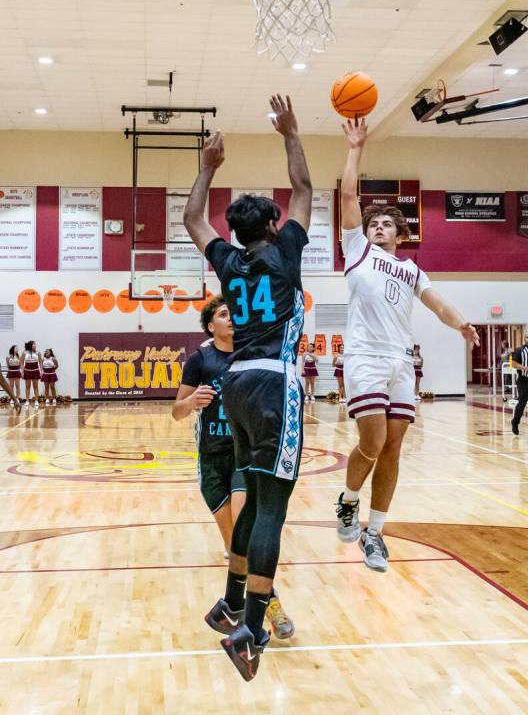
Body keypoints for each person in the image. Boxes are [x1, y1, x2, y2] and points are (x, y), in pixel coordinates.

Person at [183, 93, 312, 681]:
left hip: (234, 387)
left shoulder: (229, 265)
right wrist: (289, 133)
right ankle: (251, 629)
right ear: (274, 225)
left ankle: (232, 601)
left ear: (237, 232)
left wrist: (208, 166)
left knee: (255, 503)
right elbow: (306, 188)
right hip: (274, 385)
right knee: (269, 510)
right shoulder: (285, 251)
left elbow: (191, 218)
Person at [335, 117, 479, 573]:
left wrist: (461, 326)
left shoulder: (412, 270)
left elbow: (437, 304)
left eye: (385, 225)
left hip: (400, 362)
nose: (377, 227)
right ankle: (348, 499)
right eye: (373, 222)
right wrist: (355, 149)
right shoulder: (356, 249)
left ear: (399, 235)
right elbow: (345, 197)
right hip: (365, 358)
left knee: (394, 448)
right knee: (373, 442)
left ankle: (374, 532)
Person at [172, 294, 295, 640]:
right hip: (212, 458)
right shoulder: (201, 359)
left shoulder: (251, 353)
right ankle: (235, 609)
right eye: (224, 314)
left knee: (249, 529)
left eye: (234, 313)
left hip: (244, 455)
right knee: (234, 546)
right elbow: (176, 410)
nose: (232, 319)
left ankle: (267, 609)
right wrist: (192, 401)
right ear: (211, 325)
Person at [510, 332, 528, 435]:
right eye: (527, 337)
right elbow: (513, 364)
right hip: (524, 380)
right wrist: (527, 368)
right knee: (522, 403)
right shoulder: (520, 350)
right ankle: (515, 421)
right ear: (524, 339)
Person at [21, 340, 42, 408]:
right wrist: (22, 372)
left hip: (35, 370)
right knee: (27, 387)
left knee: (35, 387)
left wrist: (41, 371)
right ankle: (27, 400)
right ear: (30, 345)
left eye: (35, 344)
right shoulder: (24, 352)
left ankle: (36, 401)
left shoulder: (38, 352)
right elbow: (21, 363)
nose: (35, 345)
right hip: (27, 370)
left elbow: (40, 363)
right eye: (34, 344)